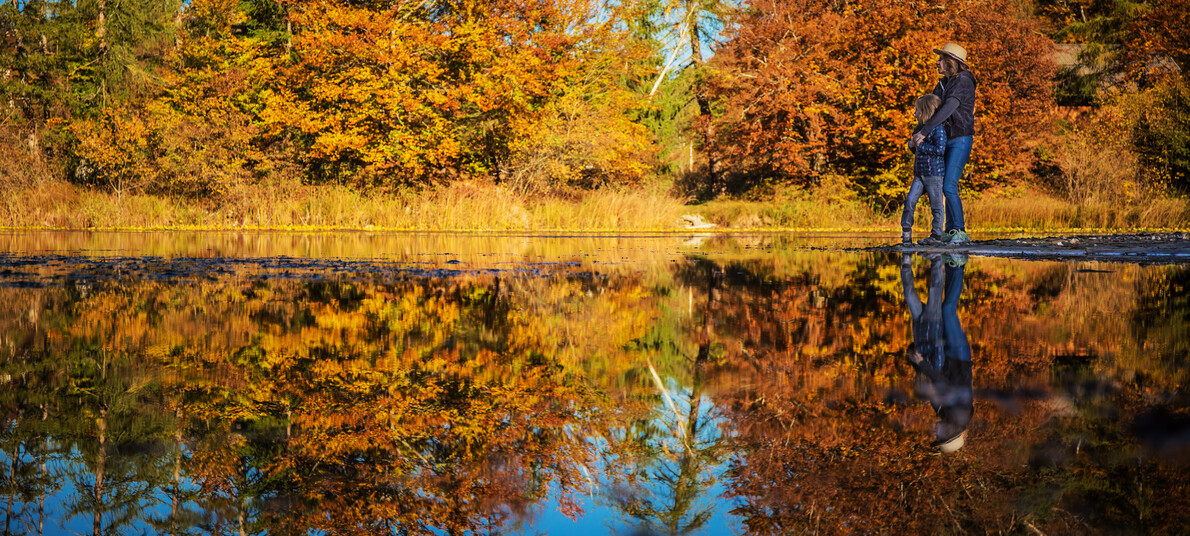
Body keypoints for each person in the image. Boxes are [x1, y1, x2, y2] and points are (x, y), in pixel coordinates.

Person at [901, 252, 973, 453]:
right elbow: (944, 383)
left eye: (936, 437)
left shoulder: (940, 410)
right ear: (953, 431)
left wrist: (914, 358)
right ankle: (957, 263)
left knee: (941, 310)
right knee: (948, 309)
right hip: (959, 357)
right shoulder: (961, 414)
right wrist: (923, 364)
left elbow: (930, 376)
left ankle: (948, 262)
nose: (936, 433)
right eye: (940, 436)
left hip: (945, 356)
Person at [911, 43, 977, 244]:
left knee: (949, 185)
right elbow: (929, 111)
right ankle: (948, 231)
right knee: (942, 185)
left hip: (960, 139)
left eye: (940, 59)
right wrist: (915, 136)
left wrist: (924, 131)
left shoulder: (964, 81)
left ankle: (959, 230)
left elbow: (948, 108)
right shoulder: (942, 84)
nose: (937, 62)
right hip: (944, 140)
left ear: (951, 62)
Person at [902, 95, 947, 245]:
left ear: (925, 111)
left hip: (934, 174)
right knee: (909, 201)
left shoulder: (938, 129)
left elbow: (940, 150)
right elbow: (918, 151)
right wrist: (912, 146)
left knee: (936, 206)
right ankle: (906, 233)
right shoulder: (918, 129)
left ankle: (936, 235)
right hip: (919, 174)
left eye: (917, 110)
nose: (914, 113)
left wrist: (921, 146)